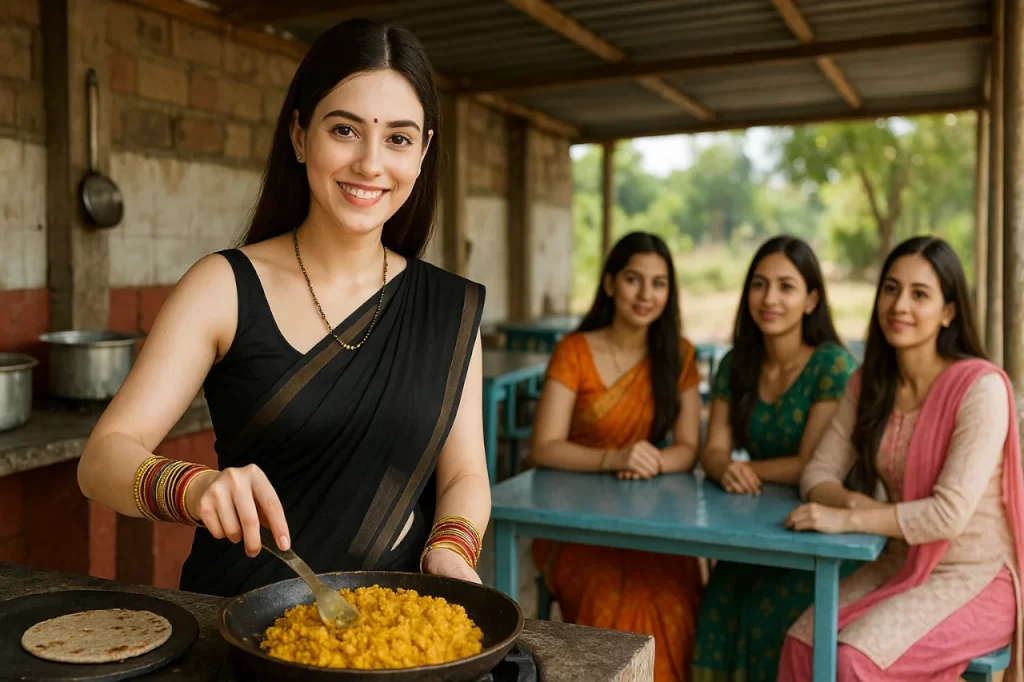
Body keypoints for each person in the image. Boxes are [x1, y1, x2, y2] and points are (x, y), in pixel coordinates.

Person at [77, 19, 490, 597]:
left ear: (422, 153)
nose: (371, 163)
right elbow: (101, 460)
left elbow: (467, 472)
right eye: (345, 130)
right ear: (299, 135)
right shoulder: (221, 286)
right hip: (238, 623)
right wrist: (194, 488)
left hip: (398, 633)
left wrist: (450, 550)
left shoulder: (450, 307)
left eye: (398, 138)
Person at [778, 236, 1024, 682]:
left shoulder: (980, 389)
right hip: (898, 558)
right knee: (802, 644)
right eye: (890, 289)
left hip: (974, 576)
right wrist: (858, 505)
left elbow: (946, 517)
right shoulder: (869, 383)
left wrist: (847, 519)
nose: (899, 305)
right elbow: (818, 472)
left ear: (948, 312)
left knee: (855, 661)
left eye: (919, 294)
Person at [529, 232, 704, 682]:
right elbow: (544, 446)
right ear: (609, 284)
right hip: (577, 524)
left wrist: (651, 461)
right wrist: (614, 457)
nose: (646, 295)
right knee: (612, 604)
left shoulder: (678, 356)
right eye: (633, 279)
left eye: (659, 283)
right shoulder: (575, 351)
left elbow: (688, 448)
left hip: (654, 524)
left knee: (677, 597)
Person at [692, 236, 856, 682]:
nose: (770, 299)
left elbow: (812, 463)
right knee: (718, 603)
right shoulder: (735, 364)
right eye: (760, 285)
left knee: (774, 617)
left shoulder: (832, 366)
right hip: (754, 529)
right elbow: (713, 452)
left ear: (811, 300)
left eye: (787, 286)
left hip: (819, 530)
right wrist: (725, 466)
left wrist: (742, 470)